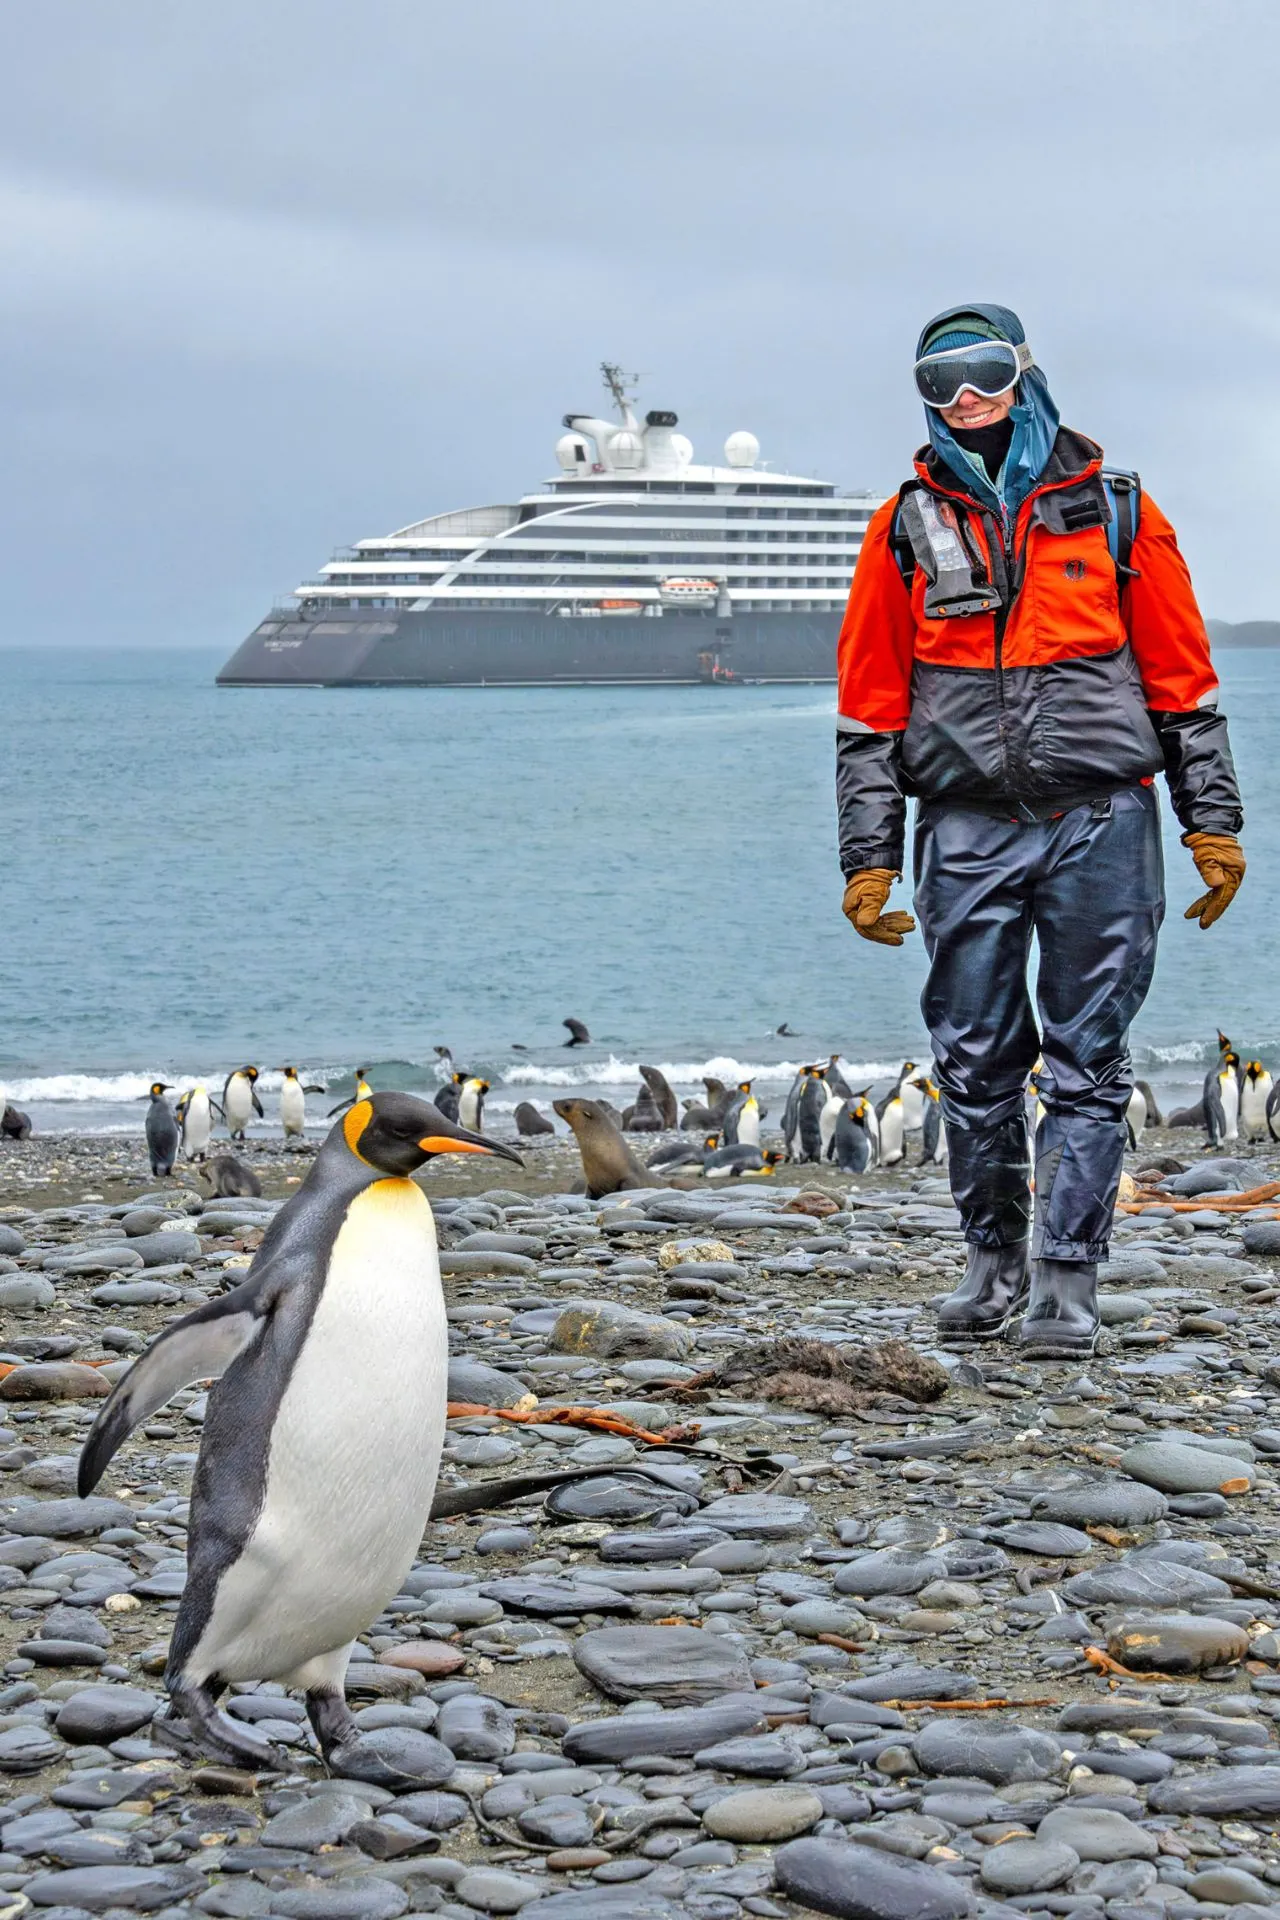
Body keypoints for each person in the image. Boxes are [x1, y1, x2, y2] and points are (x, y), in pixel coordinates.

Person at [836, 303, 1245, 1357]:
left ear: (1023, 373)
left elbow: (1182, 682)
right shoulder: (902, 526)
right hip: (962, 827)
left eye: (982, 371)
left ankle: (1066, 1277)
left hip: (1101, 821)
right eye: (939, 380)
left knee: (1086, 1060)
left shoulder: (1117, 510)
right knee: (971, 1058)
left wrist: (1211, 825)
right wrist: (867, 860)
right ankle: (991, 1260)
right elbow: (871, 705)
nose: (965, 397)